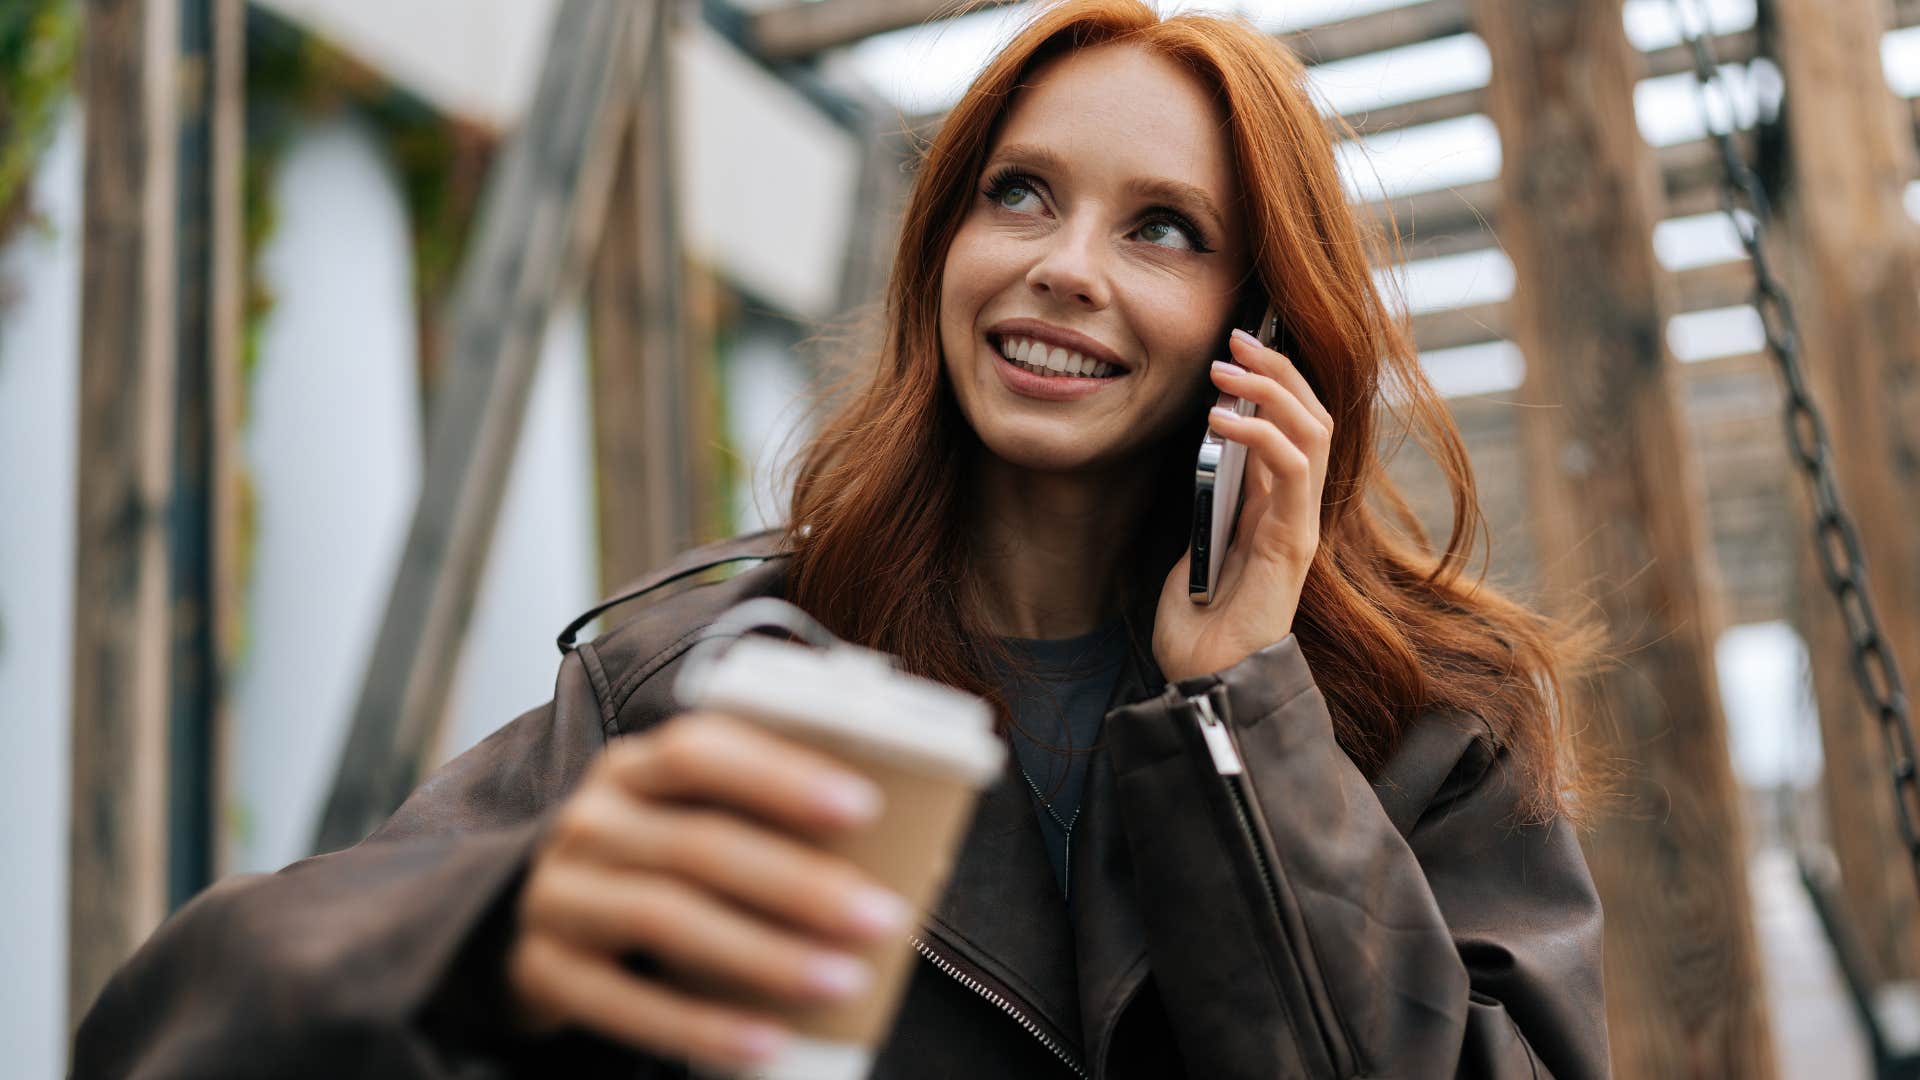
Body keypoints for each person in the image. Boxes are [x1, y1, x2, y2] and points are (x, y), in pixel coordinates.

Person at [73, 2, 1612, 1077]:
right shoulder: (706, 677)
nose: (1064, 266)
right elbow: (193, 1027)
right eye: (1019, 195)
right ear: (940, 248)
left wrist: (1244, 716)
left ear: (1261, 329)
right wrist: (491, 932)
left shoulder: (1424, 732)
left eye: (1163, 229)